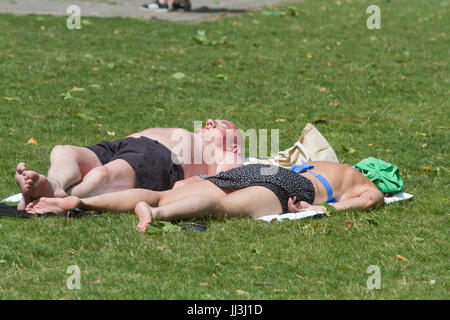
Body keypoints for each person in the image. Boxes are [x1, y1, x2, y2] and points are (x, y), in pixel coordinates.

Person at [25, 161, 388, 232]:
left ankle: (81, 203)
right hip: (296, 188)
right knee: (224, 208)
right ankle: (157, 216)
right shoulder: (362, 181)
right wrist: (327, 208)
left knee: (164, 193)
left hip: (268, 170)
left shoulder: (331, 163)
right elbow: (371, 200)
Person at [15, 119, 243, 210]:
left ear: (234, 144)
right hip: (124, 145)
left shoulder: (227, 155)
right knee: (63, 151)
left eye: (222, 125)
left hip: (159, 159)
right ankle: (55, 183)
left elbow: (225, 182)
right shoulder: (195, 136)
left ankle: (55, 197)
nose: (211, 122)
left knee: (102, 176)